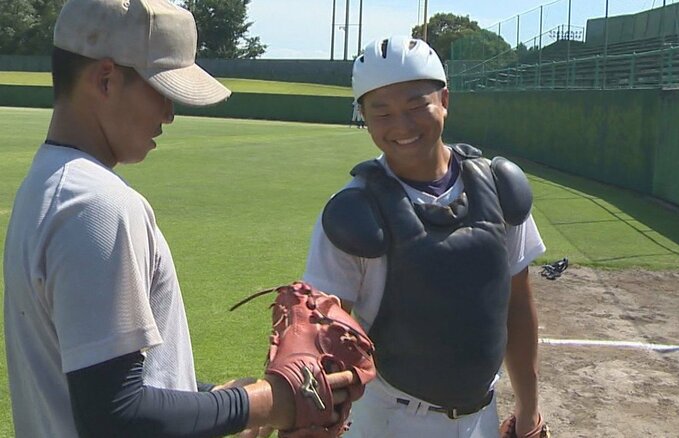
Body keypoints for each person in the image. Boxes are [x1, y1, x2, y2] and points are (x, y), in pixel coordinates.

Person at [3, 1, 356, 437]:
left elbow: (104, 383)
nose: (170, 113)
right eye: (162, 90)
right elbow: (115, 415)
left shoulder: (46, 183)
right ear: (106, 79)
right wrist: (267, 403)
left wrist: (214, 399)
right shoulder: (98, 204)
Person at [303, 36, 548, 438]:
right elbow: (327, 335)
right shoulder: (352, 212)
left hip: (482, 417)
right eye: (381, 112)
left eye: (417, 105)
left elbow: (517, 304)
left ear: (445, 100)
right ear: (363, 116)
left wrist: (529, 412)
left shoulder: (499, 187)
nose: (401, 125)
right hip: (388, 419)